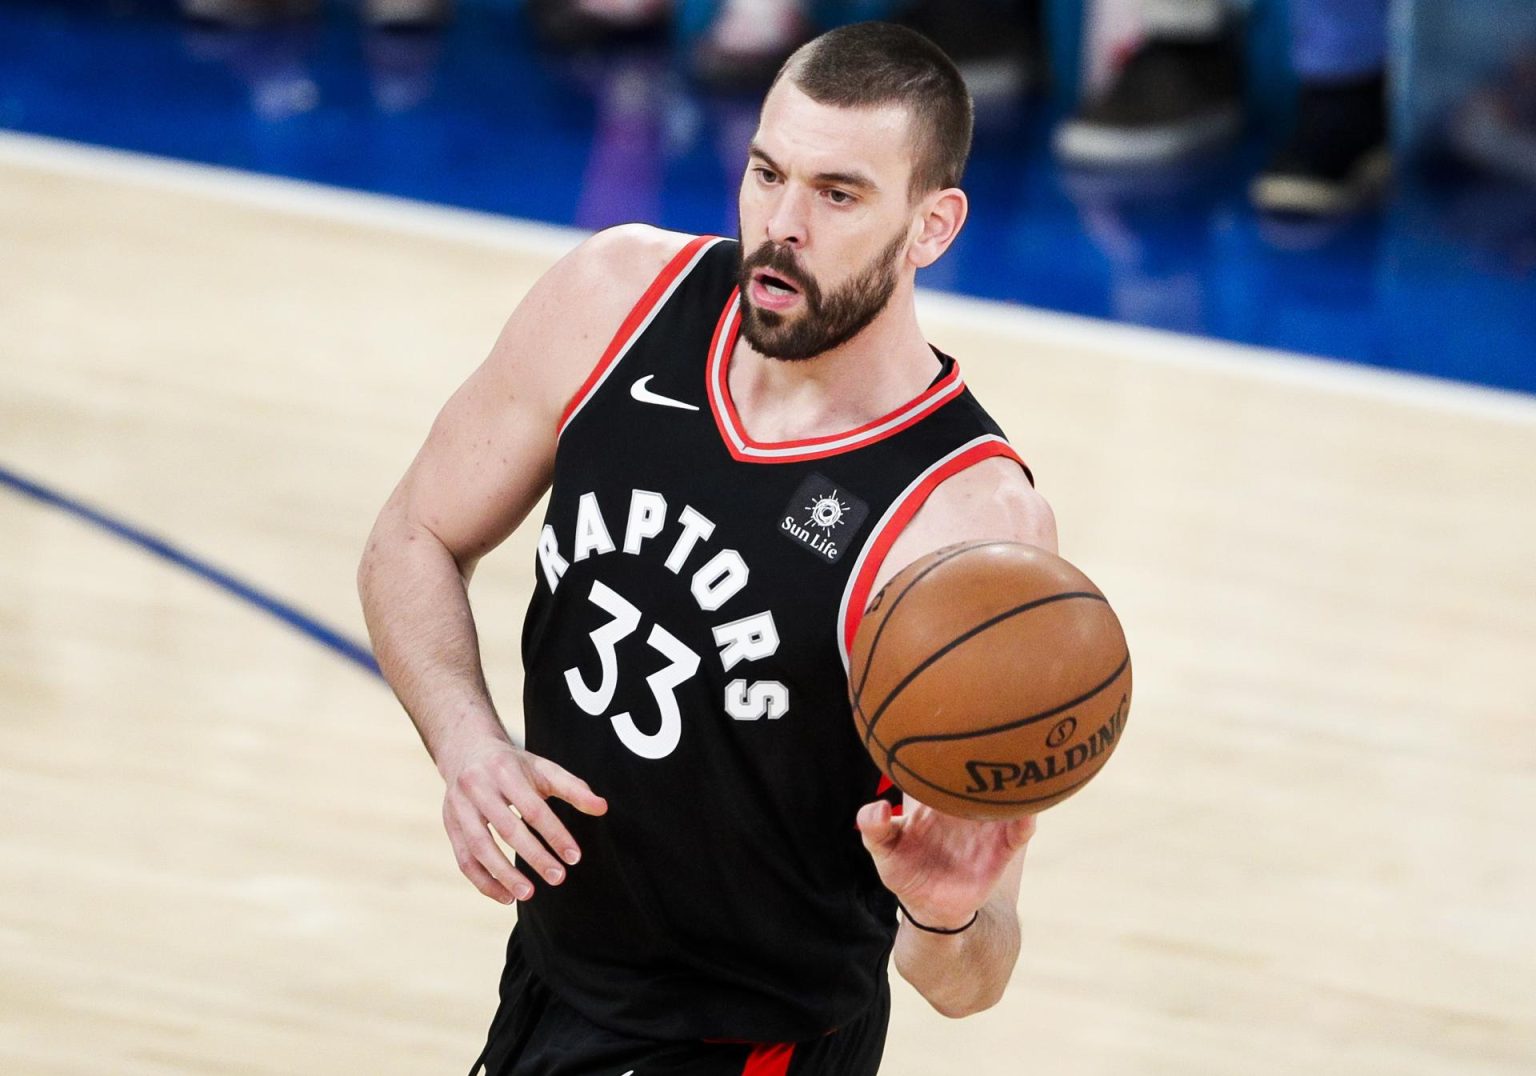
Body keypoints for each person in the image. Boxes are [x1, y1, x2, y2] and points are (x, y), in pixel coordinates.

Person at [358, 21, 1056, 1075]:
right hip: (553, 982)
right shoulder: (614, 303)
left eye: (838, 194)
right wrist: (465, 738)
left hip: (745, 1046)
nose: (781, 225)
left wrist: (948, 913)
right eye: (767, 172)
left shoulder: (966, 524)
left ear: (933, 225)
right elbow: (411, 534)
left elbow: (976, 973)